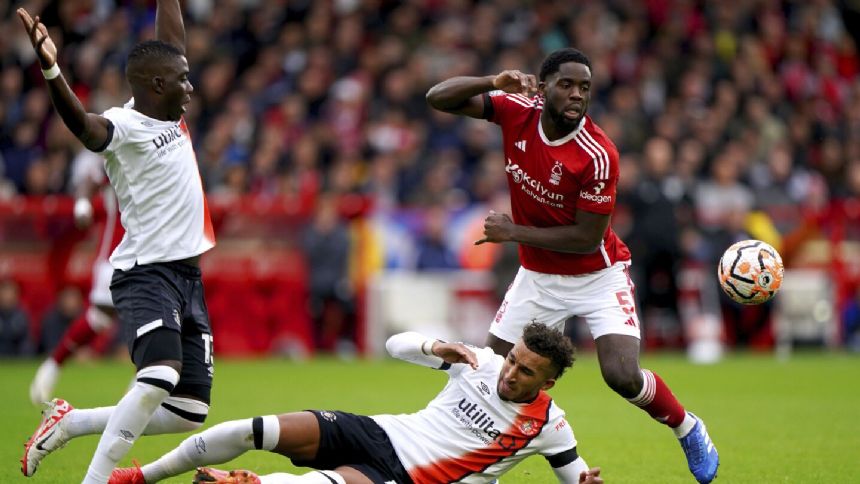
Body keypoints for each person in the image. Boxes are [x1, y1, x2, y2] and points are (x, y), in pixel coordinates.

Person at [426, 48, 719, 483]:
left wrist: (515, 233)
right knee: (486, 375)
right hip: (538, 279)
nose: (577, 94)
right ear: (542, 88)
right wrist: (492, 82)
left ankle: (688, 427)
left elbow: (585, 237)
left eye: (584, 87)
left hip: (596, 276)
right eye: (566, 84)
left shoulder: (598, 154)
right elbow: (438, 97)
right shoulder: (517, 111)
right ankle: (467, 465)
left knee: (621, 375)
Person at [18, 2, 217, 482]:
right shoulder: (125, 126)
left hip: (188, 277)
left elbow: (172, 39)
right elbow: (85, 129)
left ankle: (72, 421)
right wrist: (51, 68)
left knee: (189, 410)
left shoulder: (170, 108)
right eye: (182, 80)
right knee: (159, 376)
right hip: (146, 272)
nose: (190, 87)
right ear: (156, 86)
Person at [110, 322, 602, 484]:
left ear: (550, 381)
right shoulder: (480, 362)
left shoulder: (548, 426)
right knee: (250, 429)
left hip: (405, 477)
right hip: (378, 431)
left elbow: (575, 476)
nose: (511, 373)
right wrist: (435, 349)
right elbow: (393, 346)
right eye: (513, 360)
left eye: (526, 372)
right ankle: (139, 477)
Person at [29, 150, 124, 405]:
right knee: (102, 317)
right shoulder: (121, 152)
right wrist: (83, 204)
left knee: (119, 317)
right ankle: (52, 365)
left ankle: (148, 383)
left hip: (152, 252)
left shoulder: (159, 150)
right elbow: (91, 180)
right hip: (116, 257)